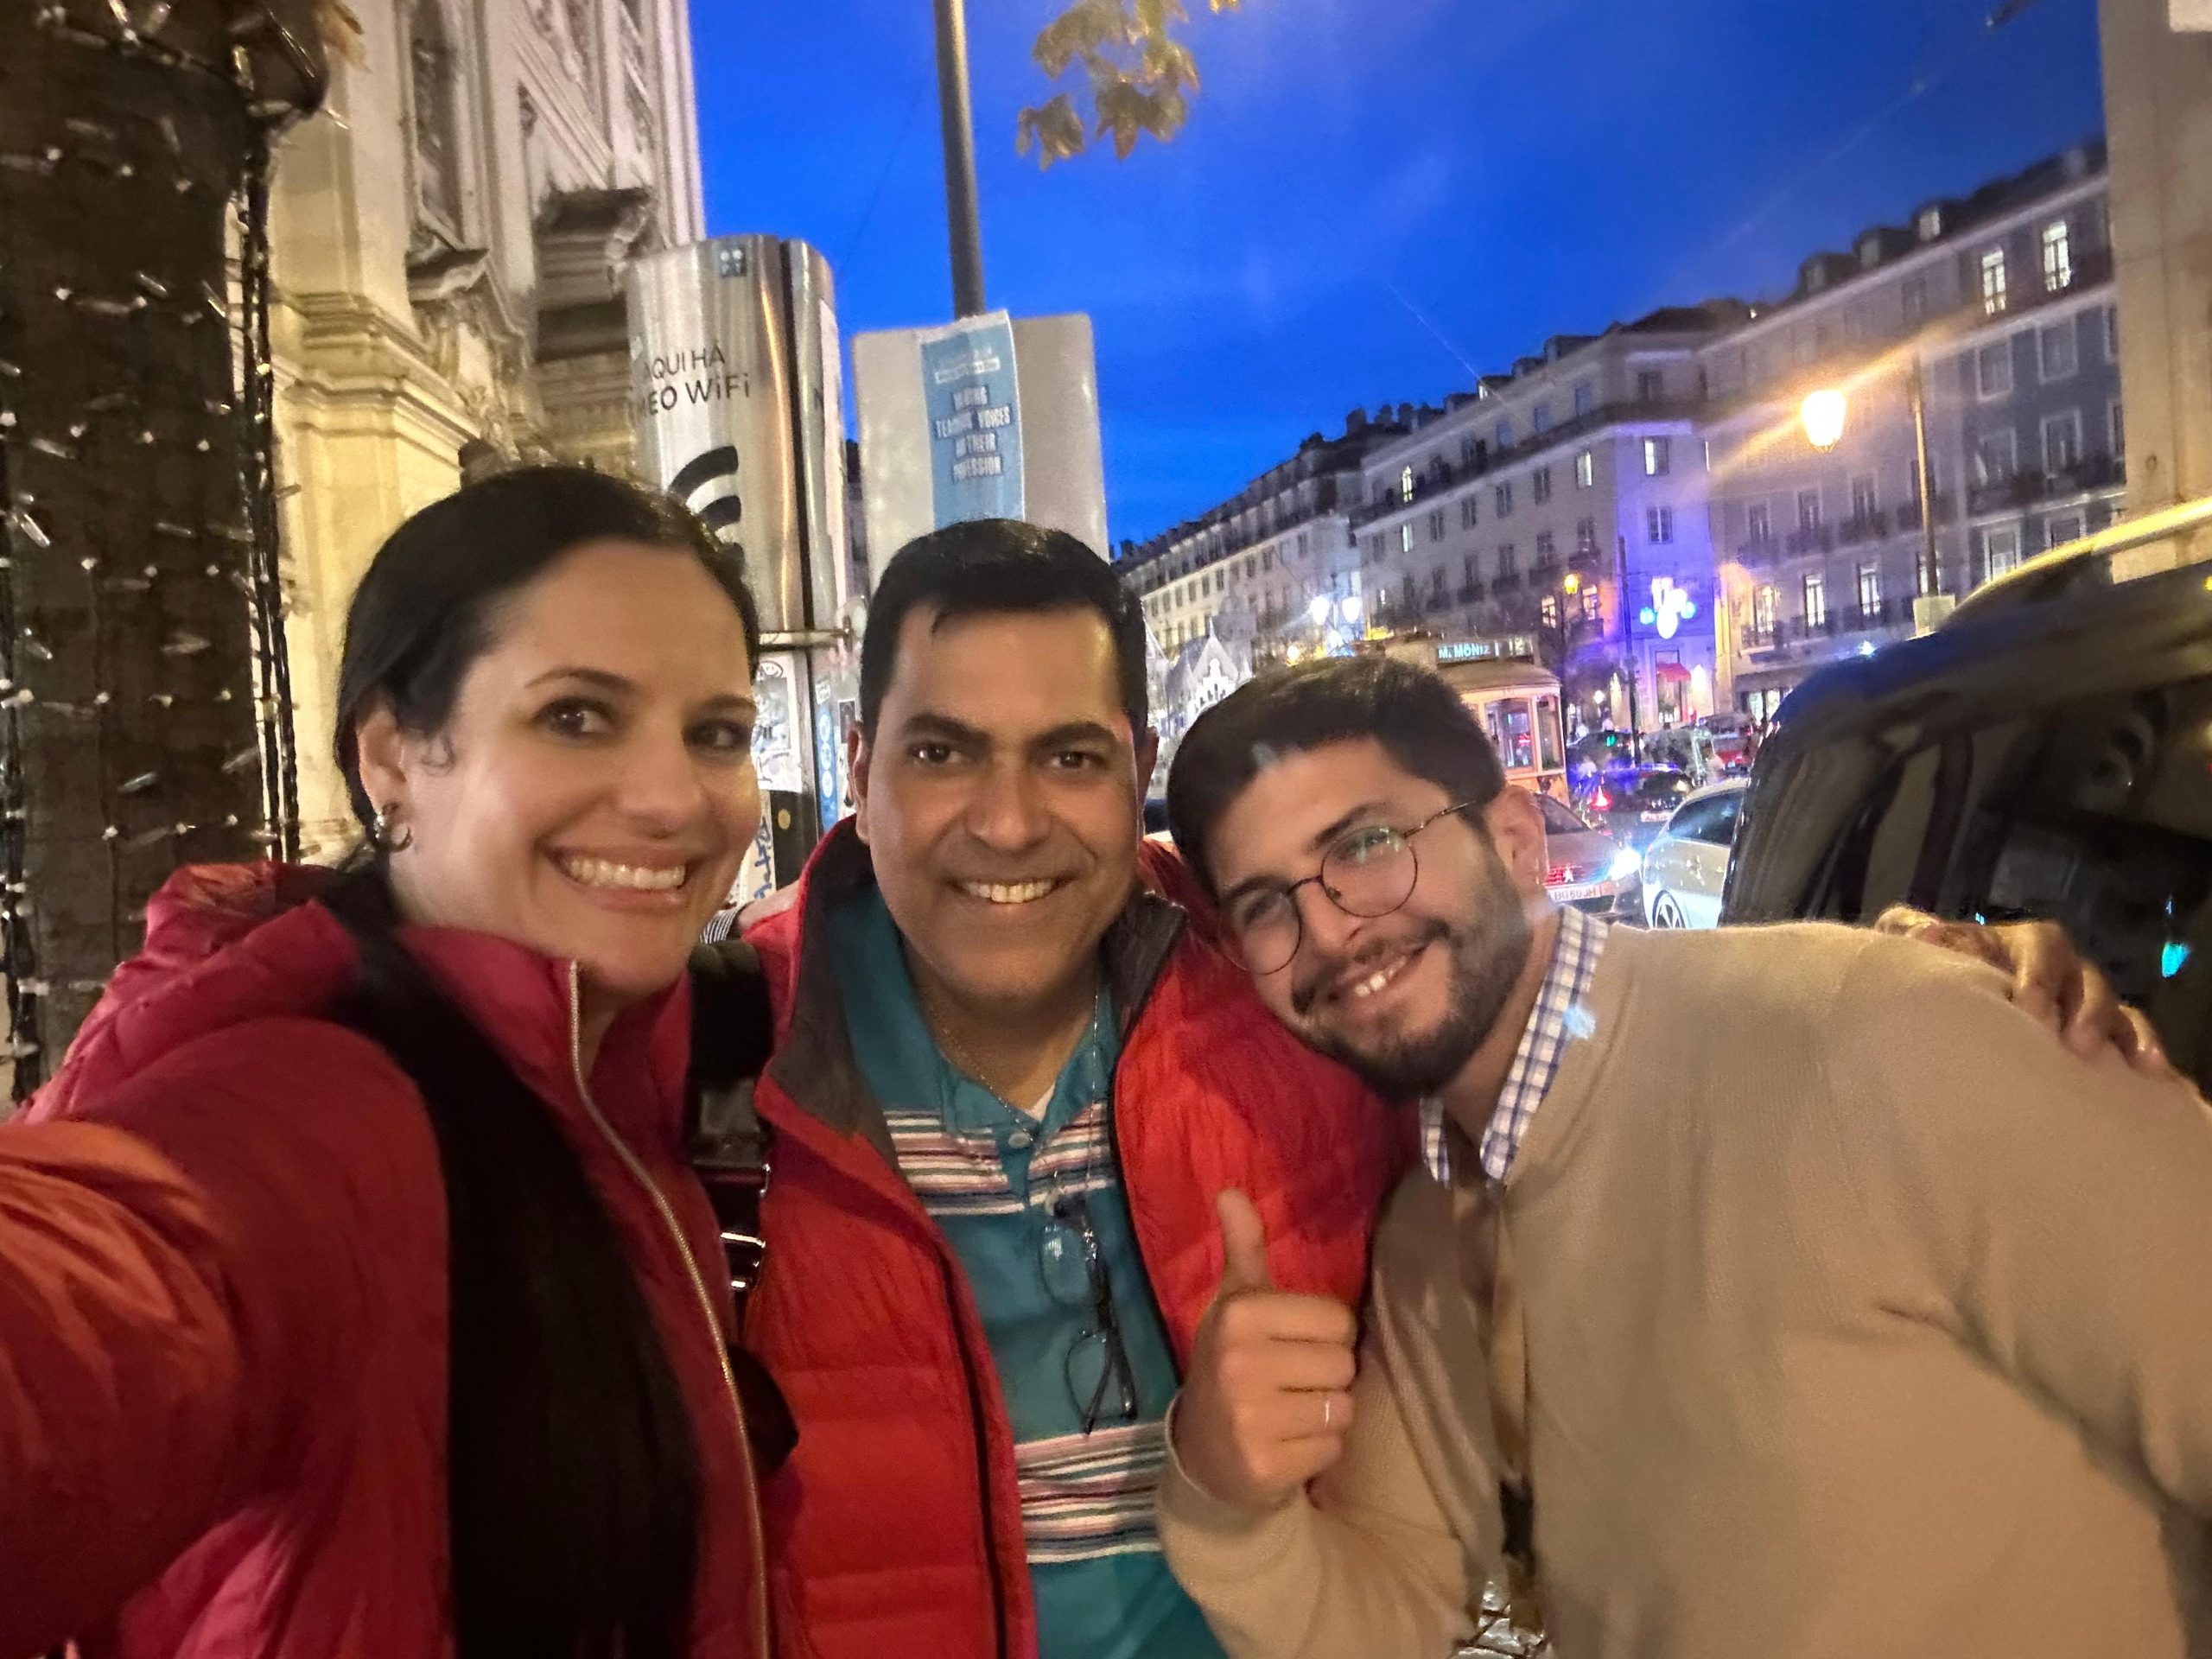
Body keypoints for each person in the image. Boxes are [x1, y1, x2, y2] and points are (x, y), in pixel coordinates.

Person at [708, 520, 2141, 1659]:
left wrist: (1920, 987)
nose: (1010, 819)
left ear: (1130, 773)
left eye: (1069, 756)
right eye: (942, 751)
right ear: (858, 769)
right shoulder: (708, 1054)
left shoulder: (1280, 1010)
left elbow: (1562, 1041)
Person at [1153, 653, 2212, 1659]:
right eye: (1266, 906)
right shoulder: (1431, 1234)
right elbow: (1384, 1613)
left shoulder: (1876, 1038)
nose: (1329, 931)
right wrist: (1225, 1501)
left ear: (1514, 839)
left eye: (1367, 845)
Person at [0, 467, 774, 1659]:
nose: (675, 798)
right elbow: (94, 1303)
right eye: (576, 716)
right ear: (394, 758)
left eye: (715, 733)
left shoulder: (605, 1077)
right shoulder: (314, 1114)